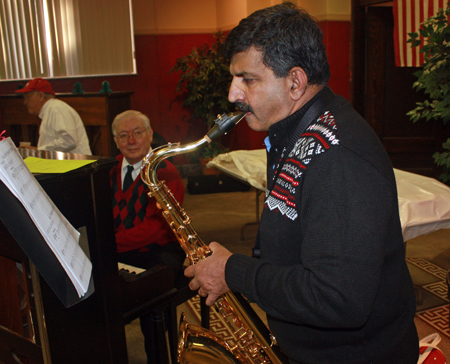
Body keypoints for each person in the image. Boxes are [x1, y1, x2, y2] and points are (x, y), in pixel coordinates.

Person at [184, 3, 419, 364]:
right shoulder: (298, 133)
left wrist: (235, 271)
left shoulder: (339, 160)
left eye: (248, 79)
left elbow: (339, 298)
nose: (233, 94)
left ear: (295, 82)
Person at [110, 110, 186, 364]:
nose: (131, 140)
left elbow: (157, 228)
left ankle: (159, 358)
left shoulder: (166, 172)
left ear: (150, 135)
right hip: (120, 247)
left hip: (160, 249)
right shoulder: (108, 173)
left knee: (152, 301)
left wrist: (109, 242)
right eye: (123, 135)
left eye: (137, 133)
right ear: (116, 141)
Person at [15, 78, 91, 155]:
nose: (25, 102)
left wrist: (39, 150)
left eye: (27, 98)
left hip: (75, 165)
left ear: (41, 96)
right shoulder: (51, 110)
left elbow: (69, 141)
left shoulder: (57, 109)